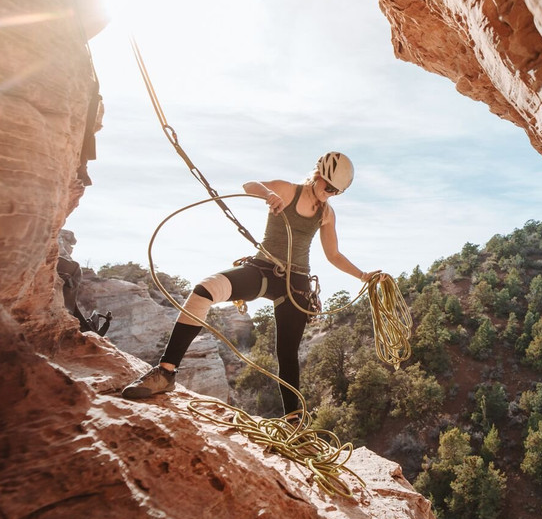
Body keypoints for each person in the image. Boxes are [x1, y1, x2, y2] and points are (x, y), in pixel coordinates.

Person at [121, 152, 374, 417]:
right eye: (328, 186)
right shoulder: (288, 190)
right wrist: (268, 194)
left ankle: (293, 422)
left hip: (296, 283)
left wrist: (363, 276)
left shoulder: (327, 214)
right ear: (318, 174)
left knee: (287, 353)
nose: (330, 193)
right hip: (263, 269)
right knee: (203, 291)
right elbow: (249, 185)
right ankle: (165, 373)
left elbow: (333, 255)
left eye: (336, 191)